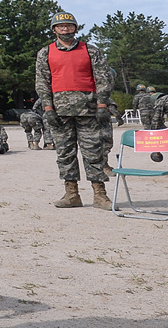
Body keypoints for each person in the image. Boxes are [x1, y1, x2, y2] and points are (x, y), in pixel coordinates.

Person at [35, 11, 112, 209]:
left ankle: (100, 195)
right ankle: (72, 194)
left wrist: (102, 104)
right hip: (60, 112)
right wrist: (48, 108)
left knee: (94, 152)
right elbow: (42, 82)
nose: (66, 29)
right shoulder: (45, 52)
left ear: (75, 28)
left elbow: (103, 78)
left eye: (70, 26)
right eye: (61, 27)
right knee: (65, 153)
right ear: (54, 30)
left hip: (89, 110)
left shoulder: (91, 50)